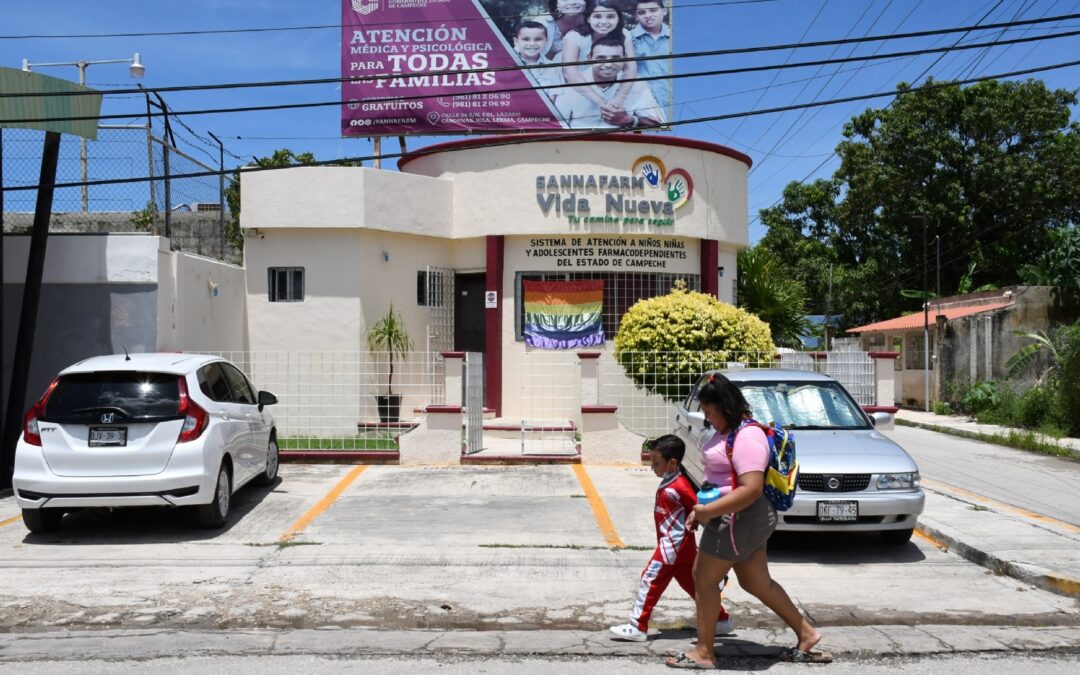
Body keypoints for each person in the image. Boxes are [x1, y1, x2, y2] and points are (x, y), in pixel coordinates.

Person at [665, 373, 831, 669]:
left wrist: (707, 511)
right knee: (756, 581)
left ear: (723, 406)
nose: (706, 417)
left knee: (703, 577)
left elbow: (751, 489)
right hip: (732, 518)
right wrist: (702, 508)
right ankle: (807, 634)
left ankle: (704, 653)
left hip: (739, 519)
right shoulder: (728, 431)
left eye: (709, 410)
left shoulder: (748, 436)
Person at [609, 435, 734, 642]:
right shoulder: (672, 481)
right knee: (694, 586)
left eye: (656, 463)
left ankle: (637, 626)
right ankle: (721, 621)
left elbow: (701, 509)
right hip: (681, 548)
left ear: (672, 463)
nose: (652, 467)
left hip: (672, 547)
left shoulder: (680, 486)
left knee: (649, 578)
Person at [555, 37, 665, 129]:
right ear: (589, 58)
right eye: (601, 58)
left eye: (615, 58)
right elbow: (557, 127)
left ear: (625, 58)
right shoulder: (570, 86)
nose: (608, 64)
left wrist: (629, 120)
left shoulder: (636, 85)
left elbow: (660, 124)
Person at [559, 0, 638, 117]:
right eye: (597, 16)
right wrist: (602, 102)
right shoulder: (574, 37)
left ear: (618, 18)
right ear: (588, 18)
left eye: (610, 16)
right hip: (577, 88)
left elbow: (630, 68)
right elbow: (570, 74)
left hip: (610, 85)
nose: (603, 22)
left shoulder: (624, 34)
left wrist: (618, 99)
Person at [631, 0, 671, 114]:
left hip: (670, 106)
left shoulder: (675, 37)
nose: (648, 15)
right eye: (642, 12)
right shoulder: (627, 39)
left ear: (664, 11)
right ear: (636, 16)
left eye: (653, 10)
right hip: (637, 108)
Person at [511, 20, 565, 102]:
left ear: (546, 41)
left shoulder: (553, 67)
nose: (532, 43)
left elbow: (552, 98)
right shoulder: (508, 64)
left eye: (538, 39)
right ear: (516, 41)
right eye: (526, 39)